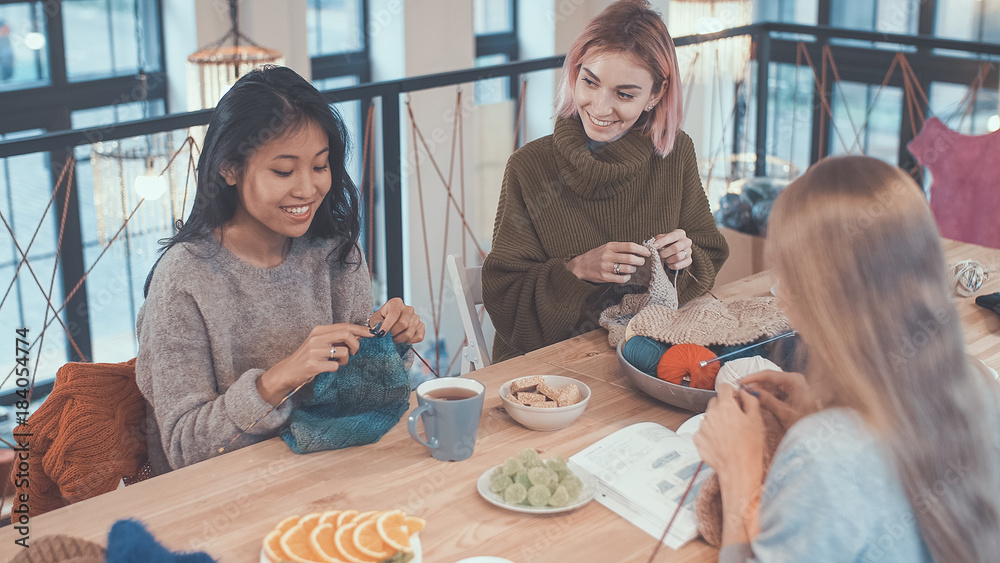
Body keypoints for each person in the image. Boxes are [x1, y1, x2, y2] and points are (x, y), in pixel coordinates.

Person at [694, 156, 1000, 562]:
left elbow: (844, 468)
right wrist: (828, 409)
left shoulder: (823, 459)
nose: (781, 296)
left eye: (789, 279)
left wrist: (740, 473)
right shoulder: (978, 384)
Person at [136, 66, 425, 475]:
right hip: (226, 497)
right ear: (229, 168)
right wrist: (279, 379)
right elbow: (184, 448)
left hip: (333, 472)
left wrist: (391, 342)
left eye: (320, 166)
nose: (307, 190)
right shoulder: (184, 281)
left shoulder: (334, 249)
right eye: (284, 171)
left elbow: (358, 398)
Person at [482, 0, 728, 362]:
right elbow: (505, 302)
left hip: (645, 352)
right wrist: (576, 270)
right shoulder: (529, 166)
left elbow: (708, 254)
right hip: (548, 365)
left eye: (624, 94)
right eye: (590, 82)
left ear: (655, 95)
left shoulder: (674, 153)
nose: (599, 107)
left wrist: (684, 259)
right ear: (575, 73)